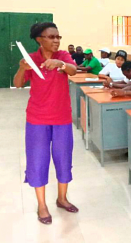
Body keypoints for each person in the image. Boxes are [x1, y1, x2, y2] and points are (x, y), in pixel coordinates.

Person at [13, 22, 79, 225]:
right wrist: (21, 68)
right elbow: (17, 84)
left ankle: (62, 198)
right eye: (51, 37)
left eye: (58, 36)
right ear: (39, 40)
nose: (56, 40)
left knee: (63, 158)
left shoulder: (63, 57)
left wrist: (60, 65)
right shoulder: (31, 60)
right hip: (37, 119)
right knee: (38, 161)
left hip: (62, 118)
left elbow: (73, 71)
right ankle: (42, 205)